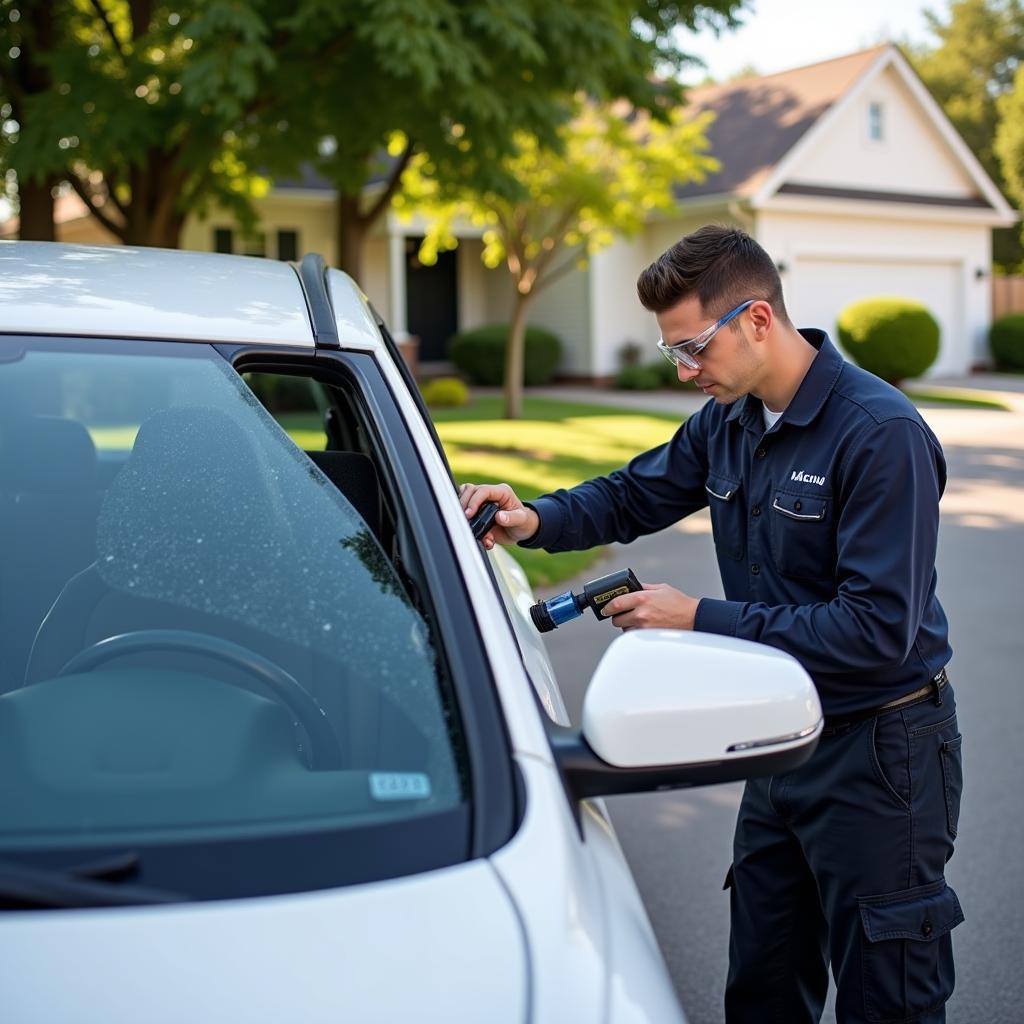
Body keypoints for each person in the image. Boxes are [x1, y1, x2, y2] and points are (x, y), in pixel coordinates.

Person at [458, 225, 964, 1024]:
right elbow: (634, 494)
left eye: (694, 348)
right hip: (776, 735)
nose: (687, 371)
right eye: (674, 355)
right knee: (762, 986)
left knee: (887, 997)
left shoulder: (881, 435)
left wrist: (697, 619)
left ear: (758, 320)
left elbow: (875, 632)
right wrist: (535, 518)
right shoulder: (731, 419)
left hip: (881, 752)